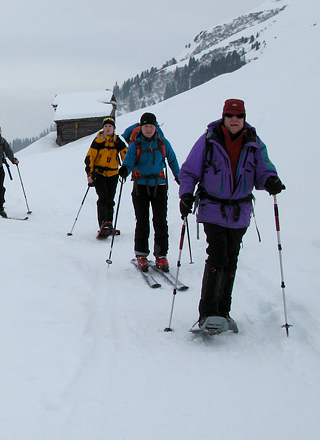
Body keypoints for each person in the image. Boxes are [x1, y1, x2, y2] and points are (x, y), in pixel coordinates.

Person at [178, 99, 285, 330]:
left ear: (244, 118)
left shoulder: (254, 142)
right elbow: (189, 171)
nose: (234, 120)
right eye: (230, 115)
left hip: (240, 212)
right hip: (212, 208)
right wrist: (186, 195)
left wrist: (271, 181)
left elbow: (264, 169)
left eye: (239, 116)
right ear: (224, 117)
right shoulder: (209, 140)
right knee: (218, 254)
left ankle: (223, 312)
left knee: (231, 258)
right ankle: (208, 313)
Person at [119, 112, 180, 272]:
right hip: (140, 186)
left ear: (155, 127)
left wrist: (180, 177)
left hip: (159, 186)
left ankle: (161, 255)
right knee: (142, 221)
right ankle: (141, 255)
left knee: (160, 221)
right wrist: (125, 170)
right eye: (145, 126)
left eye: (151, 126)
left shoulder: (163, 143)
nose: (148, 129)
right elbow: (129, 161)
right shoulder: (135, 145)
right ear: (141, 127)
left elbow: (172, 160)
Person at [85, 117, 128, 238]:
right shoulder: (98, 140)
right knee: (103, 198)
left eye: (110, 126)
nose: (108, 128)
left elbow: (126, 154)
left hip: (113, 174)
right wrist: (90, 174)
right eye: (106, 126)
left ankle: (109, 224)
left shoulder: (117, 141)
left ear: (114, 128)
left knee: (110, 199)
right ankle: (103, 224)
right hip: (99, 174)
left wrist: (126, 168)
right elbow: (90, 157)